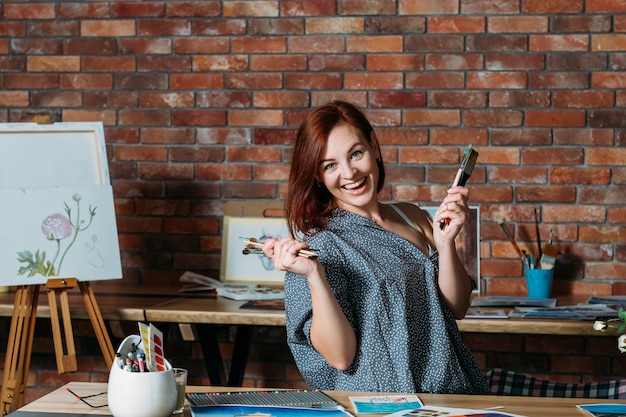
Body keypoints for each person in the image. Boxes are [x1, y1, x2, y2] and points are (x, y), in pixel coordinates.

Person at [261, 101, 489, 394]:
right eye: (330, 165)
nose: (349, 173)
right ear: (318, 176)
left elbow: (457, 307)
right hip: (380, 402)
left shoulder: (413, 216)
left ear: (374, 147)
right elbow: (340, 358)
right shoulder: (318, 245)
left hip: (448, 391)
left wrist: (445, 245)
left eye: (356, 154)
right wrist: (314, 275)